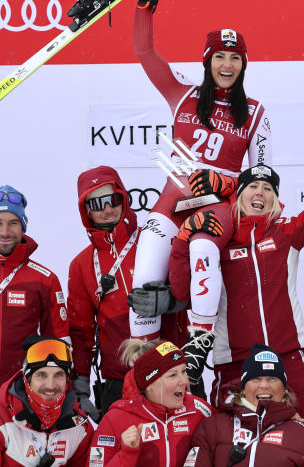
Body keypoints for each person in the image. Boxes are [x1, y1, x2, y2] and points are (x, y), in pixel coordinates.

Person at [129, 0, 272, 388]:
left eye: (236, 58)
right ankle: (149, 368)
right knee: (144, 275)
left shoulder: (257, 112)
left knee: (204, 248)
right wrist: (143, 7)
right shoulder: (182, 95)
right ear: (207, 60)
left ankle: (195, 353)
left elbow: (261, 180)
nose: (227, 65)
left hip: (218, 205)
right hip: (172, 201)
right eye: (220, 57)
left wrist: (225, 187)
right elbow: (144, 51)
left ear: (244, 65)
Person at [164, 154, 304, 431]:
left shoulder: (286, 232)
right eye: (252, 186)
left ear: (275, 200)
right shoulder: (217, 237)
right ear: (239, 195)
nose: (260, 193)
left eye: (268, 189)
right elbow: (183, 290)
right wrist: (184, 239)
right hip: (234, 361)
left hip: (287, 354)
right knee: (231, 443)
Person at [68, 165, 186, 420]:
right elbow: (81, 331)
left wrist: (172, 301)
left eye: (113, 199)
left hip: (172, 373)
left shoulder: (155, 241)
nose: (108, 209)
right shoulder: (81, 264)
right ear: (86, 210)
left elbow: (197, 296)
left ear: (123, 197)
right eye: (97, 203)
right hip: (118, 381)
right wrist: (80, 386)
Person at [186, 344, 304, 466]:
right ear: (243, 388)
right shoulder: (212, 428)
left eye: (272, 379)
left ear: (284, 388)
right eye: (255, 379)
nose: (264, 385)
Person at [90, 338, 212, 466]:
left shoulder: (199, 410)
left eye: (184, 371)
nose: (184, 381)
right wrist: (127, 452)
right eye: (172, 375)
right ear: (149, 383)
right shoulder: (115, 420)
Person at [0, 185, 70, 384]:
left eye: (13, 223)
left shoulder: (44, 279)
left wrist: (67, 390)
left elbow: (58, 344)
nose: (5, 232)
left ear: (23, 226)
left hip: (21, 391)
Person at [0, 337, 95, 466]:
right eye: (41, 375)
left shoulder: (80, 427)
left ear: (67, 380)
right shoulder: (3, 417)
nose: (50, 385)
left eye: (58, 375)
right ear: (27, 379)